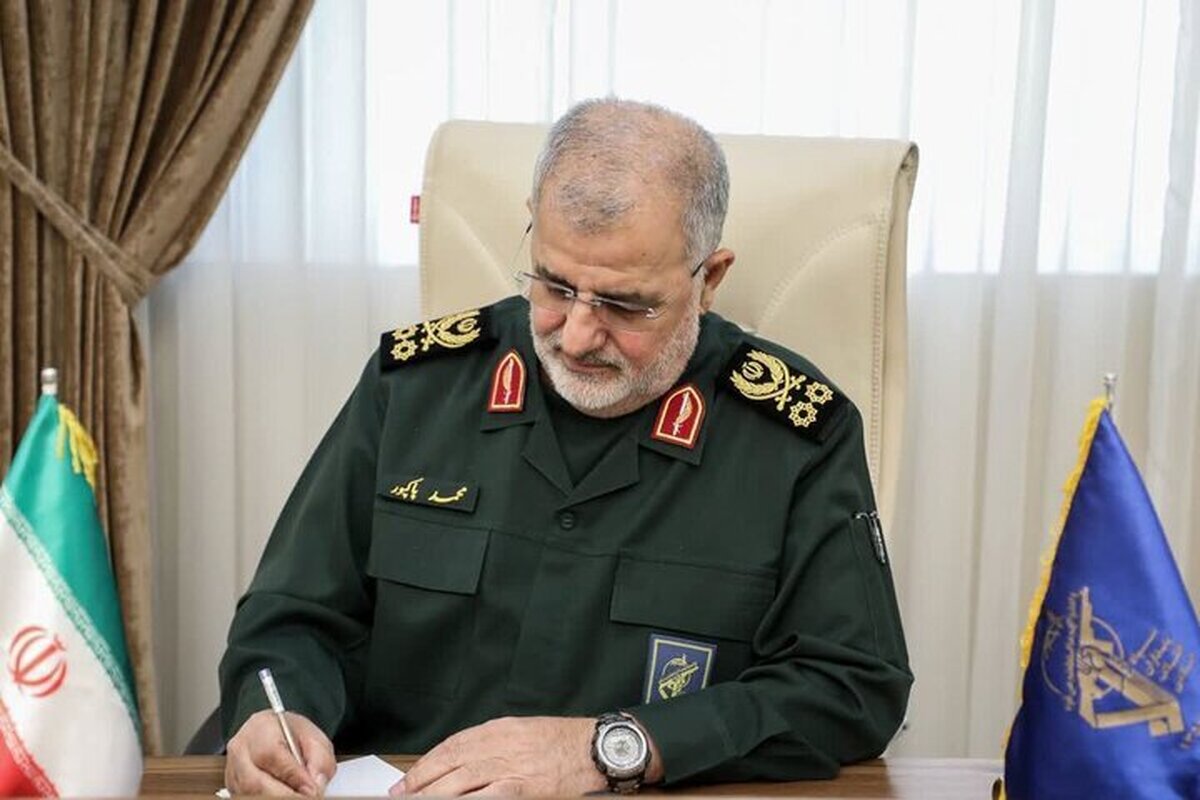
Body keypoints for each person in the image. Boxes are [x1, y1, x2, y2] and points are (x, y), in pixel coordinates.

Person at [219, 98, 912, 796]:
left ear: (709, 279)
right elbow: (294, 616)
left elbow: (852, 686)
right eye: (554, 285)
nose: (576, 335)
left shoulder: (795, 437)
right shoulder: (416, 389)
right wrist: (275, 714)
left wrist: (612, 748)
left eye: (625, 304)